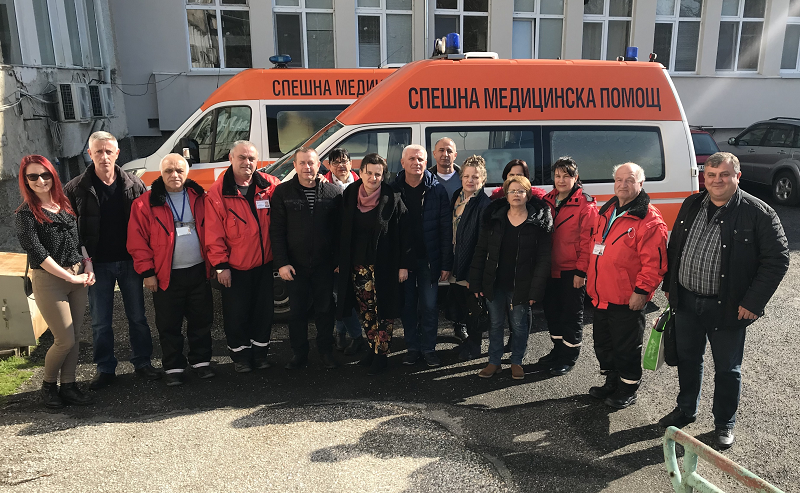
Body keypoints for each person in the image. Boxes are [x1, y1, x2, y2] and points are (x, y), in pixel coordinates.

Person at [659, 152, 789, 450]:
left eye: (724, 175)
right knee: (688, 360)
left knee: (728, 370)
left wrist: (753, 302)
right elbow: (676, 246)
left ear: (737, 176)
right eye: (711, 175)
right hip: (688, 302)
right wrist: (670, 286)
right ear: (704, 178)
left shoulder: (759, 213)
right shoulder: (692, 203)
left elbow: (777, 260)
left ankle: (723, 423)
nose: (717, 181)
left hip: (728, 306)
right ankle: (686, 409)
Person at [65, 131, 159, 389]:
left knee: (138, 316)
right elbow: (70, 229)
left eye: (109, 151)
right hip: (97, 265)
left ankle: (143, 362)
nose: (104, 156)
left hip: (131, 261)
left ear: (118, 153)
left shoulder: (134, 185)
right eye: (98, 151)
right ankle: (105, 368)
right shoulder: (76, 188)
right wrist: (83, 261)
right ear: (90, 154)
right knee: (100, 320)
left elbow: (147, 225)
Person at [586, 162, 668, 409]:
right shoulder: (608, 209)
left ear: (640, 184)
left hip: (626, 298)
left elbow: (654, 263)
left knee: (627, 347)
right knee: (604, 343)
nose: (623, 184)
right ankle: (612, 381)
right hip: (601, 294)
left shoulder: (649, 219)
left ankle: (628, 387)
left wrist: (642, 292)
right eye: (619, 179)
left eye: (629, 180)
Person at [15, 155, 95, 408]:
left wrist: (88, 263)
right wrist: (70, 276)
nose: (40, 180)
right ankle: (48, 386)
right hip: (51, 280)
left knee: (74, 336)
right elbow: (38, 253)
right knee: (64, 340)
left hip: (77, 274)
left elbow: (78, 240)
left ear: (53, 175)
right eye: (33, 176)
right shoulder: (26, 214)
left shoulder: (65, 205)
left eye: (45, 174)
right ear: (26, 181)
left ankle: (69, 386)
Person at [127, 154, 214, 386]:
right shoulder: (144, 204)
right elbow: (137, 242)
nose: (174, 175)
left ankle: (201, 362)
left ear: (187, 173)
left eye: (179, 170)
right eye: (168, 171)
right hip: (166, 275)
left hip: (198, 270)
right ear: (160, 173)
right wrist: (147, 272)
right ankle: (174, 366)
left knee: (201, 319)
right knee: (168, 324)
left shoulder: (201, 198)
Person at [206, 141, 281, 373]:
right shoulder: (218, 193)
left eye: (251, 158)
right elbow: (213, 234)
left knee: (263, 313)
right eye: (242, 157)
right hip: (235, 268)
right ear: (231, 158)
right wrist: (220, 266)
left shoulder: (270, 185)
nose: (247, 163)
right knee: (236, 315)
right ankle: (240, 357)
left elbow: (293, 194)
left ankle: (259, 355)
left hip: (264, 264)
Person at [469, 176, 552, 380]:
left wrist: (535, 290)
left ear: (528, 195)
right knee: (495, 324)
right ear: (506, 195)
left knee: (519, 325)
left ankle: (516, 361)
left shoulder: (537, 222)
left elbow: (543, 259)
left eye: (521, 191)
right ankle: (494, 361)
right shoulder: (494, 218)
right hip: (494, 283)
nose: (516, 195)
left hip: (521, 286)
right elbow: (481, 250)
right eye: (512, 191)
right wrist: (476, 282)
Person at [336, 153, 411, 375]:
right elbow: (341, 230)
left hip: (385, 265)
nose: (373, 177)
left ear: (383, 175)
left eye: (378, 174)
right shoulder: (350, 194)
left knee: (384, 311)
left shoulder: (393, 196)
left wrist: (403, 265)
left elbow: (404, 234)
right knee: (366, 310)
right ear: (360, 173)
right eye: (369, 172)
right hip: (358, 265)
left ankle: (382, 355)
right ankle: (372, 348)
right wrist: (340, 261)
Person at [271, 147, 343, 370]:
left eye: (311, 163)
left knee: (324, 310)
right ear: (295, 166)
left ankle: (326, 351)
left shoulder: (334, 193)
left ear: (318, 164)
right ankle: (299, 353)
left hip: (324, 265)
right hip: (295, 266)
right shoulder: (283, 193)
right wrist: (281, 263)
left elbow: (340, 230)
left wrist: (339, 260)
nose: (307, 167)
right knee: (297, 312)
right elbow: (277, 231)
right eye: (302, 163)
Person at [392, 144, 453, 367]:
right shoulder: (393, 189)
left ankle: (429, 349)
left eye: (420, 159)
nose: (416, 163)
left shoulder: (436, 190)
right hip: (404, 262)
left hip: (430, 260)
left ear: (426, 163)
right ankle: (412, 348)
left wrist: (446, 262)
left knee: (428, 306)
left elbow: (446, 230)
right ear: (402, 162)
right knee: (408, 306)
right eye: (411, 159)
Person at [539, 157, 597, 376]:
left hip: (572, 270)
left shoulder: (586, 204)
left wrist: (581, 271)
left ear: (576, 177)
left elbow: (588, 242)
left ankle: (568, 357)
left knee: (571, 315)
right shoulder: (548, 200)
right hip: (550, 268)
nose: (561, 180)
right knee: (552, 312)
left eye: (566, 175)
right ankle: (557, 350)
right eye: (557, 175)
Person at [449, 155, 491, 361]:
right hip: (457, 259)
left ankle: (475, 346)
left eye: (475, 177)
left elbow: (484, 243)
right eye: (466, 176)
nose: (470, 180)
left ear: (483, 179)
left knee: (474, 306)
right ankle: (467, 342)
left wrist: (477, 273)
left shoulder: (484, 204)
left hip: (472, 263)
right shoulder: (457, 195)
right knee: (463, 305)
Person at [324, 148, 365, 355]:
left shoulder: (363, 184)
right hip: (336, 253)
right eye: (335, 162)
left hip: (358, 251)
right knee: (340, 296)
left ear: (351, 163)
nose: (341, 165)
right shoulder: (323, 186)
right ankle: (355, 337)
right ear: (328, 165)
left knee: (351, 297)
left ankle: (341, 332)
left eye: (344, 161)